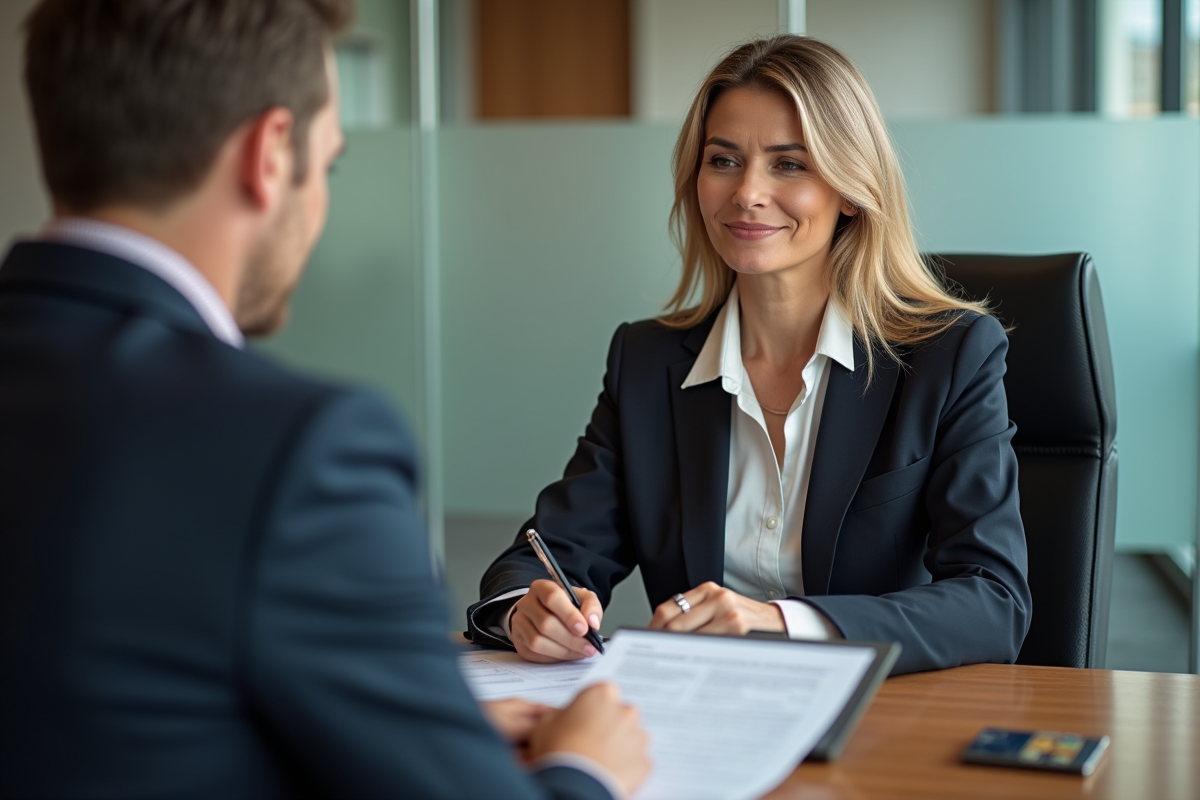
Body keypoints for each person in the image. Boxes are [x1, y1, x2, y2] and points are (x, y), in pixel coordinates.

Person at [0, 1, 649, 798]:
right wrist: (584, 769)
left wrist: (402, 728)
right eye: (330, 164)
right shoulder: (299, 447)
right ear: (270, 154)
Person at [467, 35, 1032, 676]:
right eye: (724, 160)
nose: (747, 193)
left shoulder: (948, 357)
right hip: (701, 718)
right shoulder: (649, 362)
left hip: (875, 718)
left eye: (789, 164)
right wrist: (525, 609)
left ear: (850, 188)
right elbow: (547, 555)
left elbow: (994, 601)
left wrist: (781, 623)